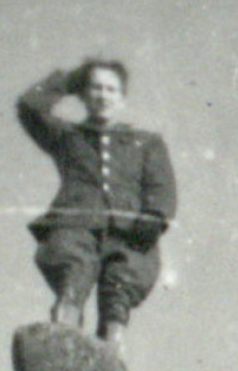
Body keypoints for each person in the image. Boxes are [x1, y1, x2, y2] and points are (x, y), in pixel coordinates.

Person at [16, 57, 178, 349]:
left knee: (120, 289)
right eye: (95, 88)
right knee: (71, 274)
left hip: (129, 231)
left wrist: (153, 218)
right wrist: (68, 80)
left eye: (111, 90)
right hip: (76, 222)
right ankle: (63, 341)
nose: (103, 95)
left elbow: (161, 187)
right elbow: (30, 106)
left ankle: (109, 356)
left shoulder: (146, 142)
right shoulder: (68, 136)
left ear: (122, 98)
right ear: (83, 94)